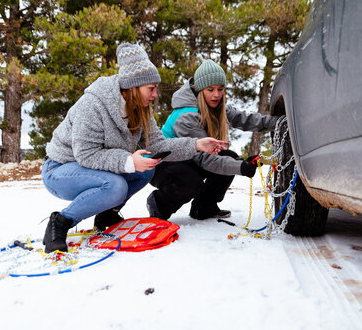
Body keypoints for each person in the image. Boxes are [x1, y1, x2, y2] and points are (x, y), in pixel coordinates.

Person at [41, 44, 228, 253]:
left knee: (145, 170)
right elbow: (86, 154)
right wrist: (128, 161)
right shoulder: (93, 104)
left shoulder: (141, 109)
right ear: (133, 87)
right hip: (60, 169)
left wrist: (196, 144)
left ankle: (107, 214)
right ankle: (61, 221)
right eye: (151, 88)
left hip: (90, 167)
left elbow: (158, 144)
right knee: (115, 186)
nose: (155, 94)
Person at [147, 59, 279, 221]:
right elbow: (205, 159)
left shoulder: (216, 106)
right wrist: (242, 167)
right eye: (210, 89)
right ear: (201, 90)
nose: (216, 94)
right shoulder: (187, 116)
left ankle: (204, 207)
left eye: (220, 89)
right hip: (162, 164)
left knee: (228, 157)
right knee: (190, 181)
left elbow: (245, 119)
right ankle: (158, 205)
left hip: (188, 160)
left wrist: (278, 123)